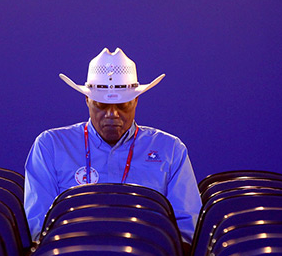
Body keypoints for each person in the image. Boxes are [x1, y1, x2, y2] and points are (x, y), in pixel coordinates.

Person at [24, 47, 202, 243]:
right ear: (87, 100)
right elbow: (38, 229)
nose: (112, 114)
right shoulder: (50, 146)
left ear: (136, 100)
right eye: (101, 105)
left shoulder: (170, 149)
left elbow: (187, 232)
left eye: (122, 105)